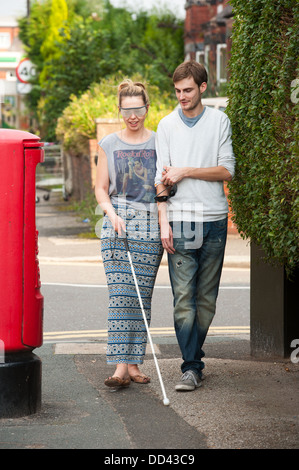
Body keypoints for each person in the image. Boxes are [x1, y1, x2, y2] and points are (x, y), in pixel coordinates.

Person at [155, 60, 235, 391]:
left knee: (205, 300)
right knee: (183, 298)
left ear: (203, 88)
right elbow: (161, 181)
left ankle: (193, 356)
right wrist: (163, 222)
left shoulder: (219, 121)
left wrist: (186, 170)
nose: (182, 96)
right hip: (181, 220)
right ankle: (191, 366)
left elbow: (226, 171)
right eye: (177, 91)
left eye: (187, 90)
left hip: (215, 219)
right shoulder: (166, 125)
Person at [95, 79, 163, 388]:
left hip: (150, 228)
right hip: (116, 226)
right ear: (120, 109)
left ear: (147, 108)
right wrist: (112, 214)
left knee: (140, 297)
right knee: (120, 297)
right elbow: (100, 189)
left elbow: (163, 187)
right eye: (127, 110)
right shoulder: (108, 144)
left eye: (138, 109)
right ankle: (120, 368)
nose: (132, 116)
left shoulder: (159, 142)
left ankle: (135, 363)